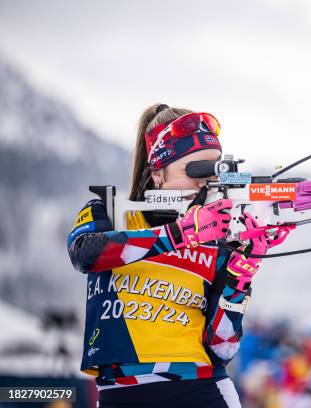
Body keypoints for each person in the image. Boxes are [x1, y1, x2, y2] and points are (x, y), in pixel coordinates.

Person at [67, 103, 289, 407]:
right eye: (195, 170)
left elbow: (222, 349)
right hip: (120, 392)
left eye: (215, 171)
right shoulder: (112, 213)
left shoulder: (219, 238)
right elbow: (84, 255)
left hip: (201, 389)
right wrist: (182, 233)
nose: (206, 182)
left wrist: (242, 277)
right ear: (158, 173)